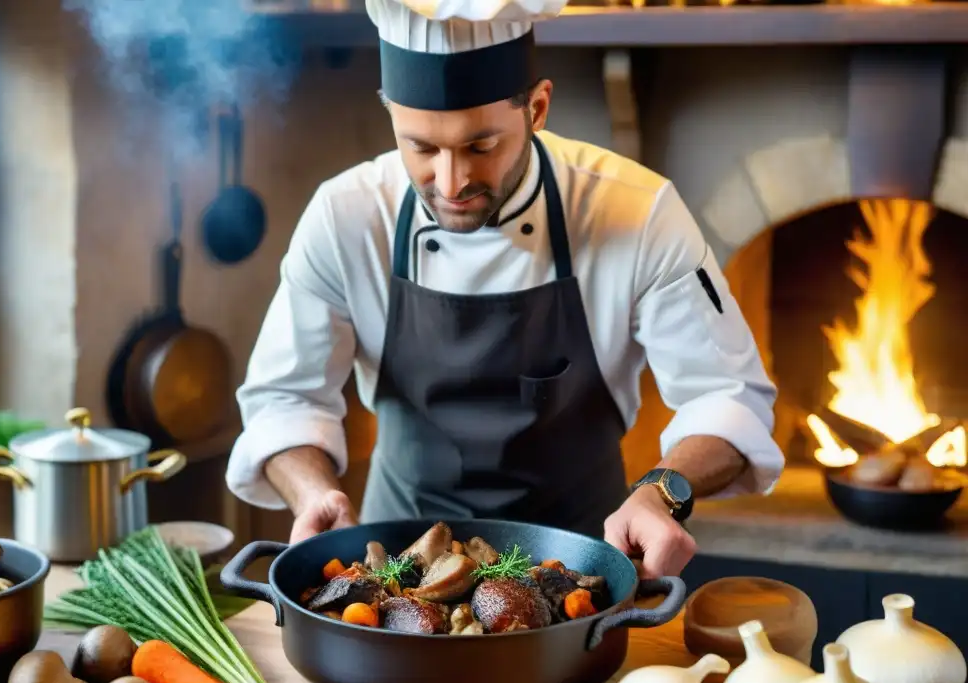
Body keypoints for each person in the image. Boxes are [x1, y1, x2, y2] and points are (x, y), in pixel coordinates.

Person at [225, 0, 785, 579]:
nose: (449, 183)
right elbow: (282, 400)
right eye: (420, 147)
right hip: (398, 578)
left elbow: (728, 397)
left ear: (537, 107)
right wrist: (313, 492)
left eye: (480, 146)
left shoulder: (636, 212)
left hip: (581, 568)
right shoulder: (346, 216)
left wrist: (661, 492)